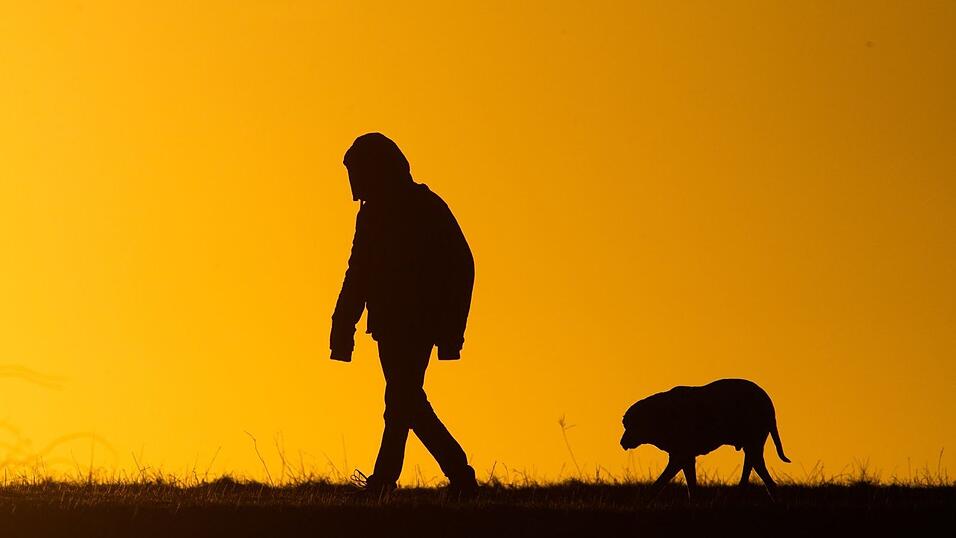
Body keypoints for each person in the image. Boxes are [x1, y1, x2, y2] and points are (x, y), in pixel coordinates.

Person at [330, 132, 479, 498]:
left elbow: (461, 266)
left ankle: (402, 480)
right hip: (387, 326)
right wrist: (341, 327)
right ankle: (452, 475)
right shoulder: (370, 217)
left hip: (419, 324)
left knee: (402, 400)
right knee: (404, 401)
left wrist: (450, 331)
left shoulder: (425, 208)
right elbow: (359, 272)